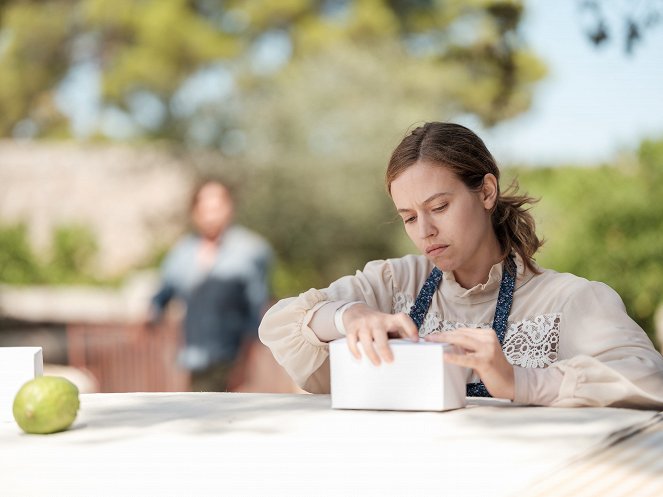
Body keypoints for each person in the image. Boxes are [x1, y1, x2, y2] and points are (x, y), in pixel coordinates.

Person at [258, 122, 663, 408]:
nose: (425, 231)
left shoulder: (567, 300)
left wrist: (518, 380)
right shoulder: (393, 282)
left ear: (486, 192)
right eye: (410, 217)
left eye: (439, 207)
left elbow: (650, 378)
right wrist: (349, 315)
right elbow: (280, 325)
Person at [150, 179, 273, 392]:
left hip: (232, 359)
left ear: (229, 208)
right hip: (192, 358)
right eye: (204, 208)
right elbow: (163, 294)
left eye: (216, 207)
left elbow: (257, 309)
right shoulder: (182, 252)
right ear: (195, 211)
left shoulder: (252, 251)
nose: (210, 215)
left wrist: (247, 362)